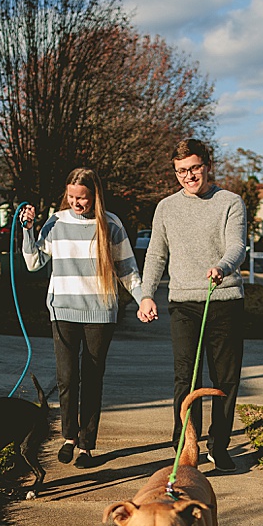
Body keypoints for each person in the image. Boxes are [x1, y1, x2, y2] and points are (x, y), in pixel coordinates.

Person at [137, 139, 247, 473]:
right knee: (186, 379)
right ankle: (186, 447)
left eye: (194, 168)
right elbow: (156, 254)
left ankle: (220, 445)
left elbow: (237, 245)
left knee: (225, 379)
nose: (189, 176)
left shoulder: (230, 202)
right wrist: (146, 294)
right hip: (184, 302)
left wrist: (223, 267)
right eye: (181, 171)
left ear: (207, 165)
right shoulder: (166, 208)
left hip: (224, 299)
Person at [21, 167, 142, 469]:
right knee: (66, 377)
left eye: (83, 198)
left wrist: (144, 299)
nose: (77, 203)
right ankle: (68, 438)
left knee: (91, 378)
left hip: (100, 313)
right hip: (62, 310)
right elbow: (34, 262)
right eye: (72, 197)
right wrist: (27, 229)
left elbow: (128, 269)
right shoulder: (55, 222)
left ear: (94, 196)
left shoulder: (110, 225)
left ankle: (87, 445)